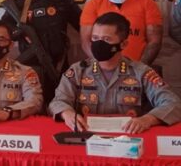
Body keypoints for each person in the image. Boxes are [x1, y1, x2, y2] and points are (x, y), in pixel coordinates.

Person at [50, 12, 181, 133]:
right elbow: (57, 102)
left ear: (123, 44)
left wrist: (147, 120)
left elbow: (173, 104)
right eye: (95, 38)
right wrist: (67, 113)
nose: (99, 43)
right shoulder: (78, 71)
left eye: (106, 39)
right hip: (87, 136)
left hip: (129, 137)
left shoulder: (141, 72)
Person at [0, 0, 81, 104]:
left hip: (58, 66)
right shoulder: (19, 4)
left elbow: (84, 27)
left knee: (60, 105)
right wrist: (18, 32)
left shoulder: (62, 2)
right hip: (28, 69)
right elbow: (2, 31)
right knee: (30, 107)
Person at [80, 0, 163, 65]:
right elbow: (86, 42)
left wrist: (139, 69)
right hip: (103, 69)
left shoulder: (147, 3)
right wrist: (102, 66)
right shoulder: (93, 5)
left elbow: (154, 41)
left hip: (137, 67)